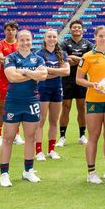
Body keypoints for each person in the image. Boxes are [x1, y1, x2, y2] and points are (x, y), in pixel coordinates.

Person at [0, 30, 47, 187]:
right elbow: (11, 77)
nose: (26, 43)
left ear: (32, 41)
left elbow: (42, 76)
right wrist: (32, 73)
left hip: (32, 101)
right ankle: (4, 174)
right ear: (17, 41)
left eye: (28, 40)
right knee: (8, 138)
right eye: (22, 40)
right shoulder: (11, 58)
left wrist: (24, 71)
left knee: (30, 137)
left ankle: (28, 171)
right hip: (13, 101)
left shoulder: (38, 58)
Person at [76, 26, 105, 184]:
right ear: (95, 37)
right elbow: (79, 79)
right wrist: (93, 84)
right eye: (101, 36)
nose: (104, 38)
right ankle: (91, 173)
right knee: (93, 137)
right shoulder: (87, 56)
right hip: (94, 101)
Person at [34, 29, 69, 161]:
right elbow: (41, 76)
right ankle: (38, 151)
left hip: (57, 89)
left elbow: (66, 72)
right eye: (49, 36)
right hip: (42, 89)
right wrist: (57, 71)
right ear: (45, 38)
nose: (52, 39)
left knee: (54, 121)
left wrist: (48, 70)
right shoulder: (38, 54)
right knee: (41, 120)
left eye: (54, 37)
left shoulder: (62, 54)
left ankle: (51, 150)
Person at [59, 19, 93, 147]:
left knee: (81, 107)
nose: (76, 29)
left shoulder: (88, 44)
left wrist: (75, 59)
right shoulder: (64, 43)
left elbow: (89, 61)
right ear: (70, 29)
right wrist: (81, 60)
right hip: (66, 79)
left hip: (82, 79)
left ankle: (82, 135)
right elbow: (63, 58)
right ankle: (62, 137)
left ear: (82, 29)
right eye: (74, 27)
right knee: (66, 107)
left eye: (79, 27)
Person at [0, 21, 20, 147]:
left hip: (18, 81)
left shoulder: (20, 44)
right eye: (8, 29)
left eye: (13, 29)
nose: (10, 31)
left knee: (17, 109)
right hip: (3, 81)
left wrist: (7, 60)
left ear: (16, 31)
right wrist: (15, 61)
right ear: (5, 31)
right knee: (0, 109)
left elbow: (8, 59)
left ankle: (16, 135)